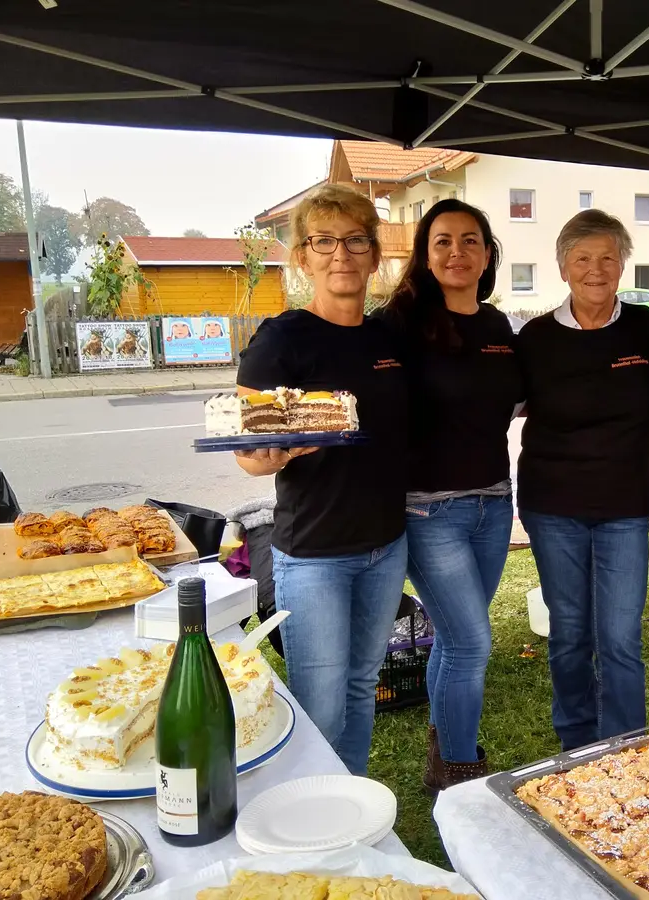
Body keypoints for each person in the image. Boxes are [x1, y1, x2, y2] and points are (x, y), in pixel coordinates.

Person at [231, 184, 409, 776]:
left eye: (356, 240)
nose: (342, 254)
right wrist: (273, 456)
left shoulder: (389, 338)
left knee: (362, 688)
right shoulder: (282, 339)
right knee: (320, 705)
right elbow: (248, 454)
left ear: (374, 254)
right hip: (315, 555)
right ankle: (307, 817)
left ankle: (346, 802)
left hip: (385, 546)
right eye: (324, 241)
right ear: (302, 258)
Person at [380, 200, 523, 791]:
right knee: (470, 642)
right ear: (425, 253)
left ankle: (443, 748)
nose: (457, 252)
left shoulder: (496, 326)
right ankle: (461, 773)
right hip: (428, 509)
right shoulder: (400, 322)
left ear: (488, 254)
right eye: (443, 241)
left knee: (458, 636)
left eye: (471, 240)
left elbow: (514, 400)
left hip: (494, 504)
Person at [515, 209, 649, 750]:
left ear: (623, 264)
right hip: (552, 506)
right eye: (582, 258)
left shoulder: (647, 328)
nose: (595, 269)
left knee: (621, 637)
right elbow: (493, 406)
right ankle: (576, 745)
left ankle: (625, 749)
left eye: (607, 257)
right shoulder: (534, 337)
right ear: (562, 267)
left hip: (624, 505)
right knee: (570, 632)